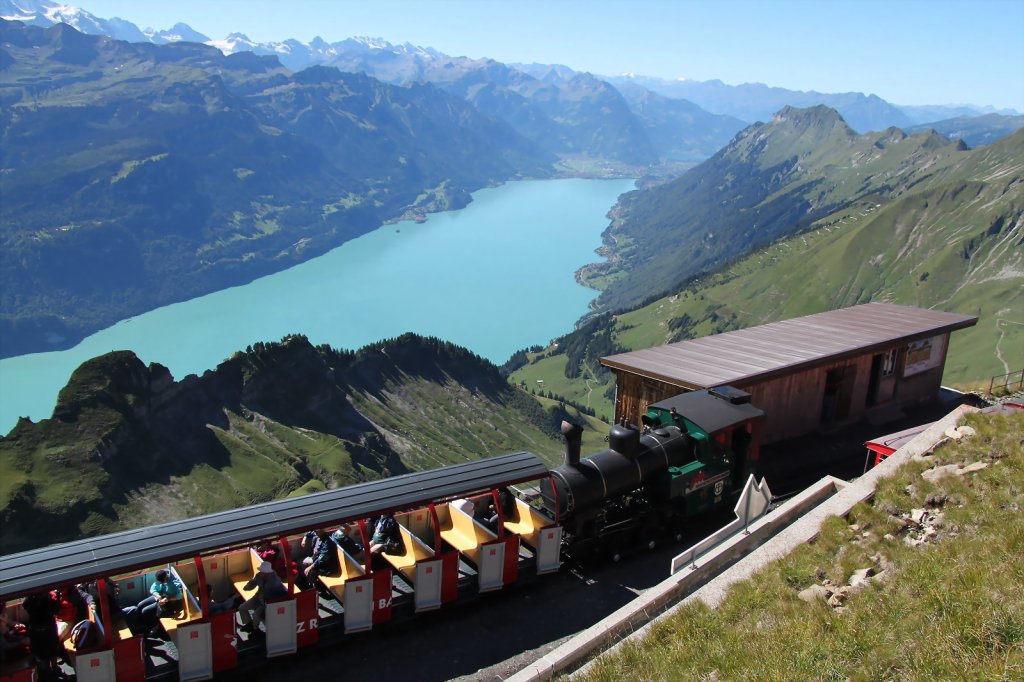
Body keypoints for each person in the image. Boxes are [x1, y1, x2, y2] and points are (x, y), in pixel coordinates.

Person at [22, 591, 64, 678]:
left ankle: (49, 671)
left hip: (38, 631)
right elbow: (57, 610)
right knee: (51, 650)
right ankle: (53, 669)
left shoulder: (30, 602)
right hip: (48, 630)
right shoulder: (49, 601)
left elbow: (25, 604)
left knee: (44, 653)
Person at [238, 562, 287, 634]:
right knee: (242, 608)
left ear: (267, 572)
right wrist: (247, 587)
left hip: (268, 602)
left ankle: (255, 630)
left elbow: (273, 596)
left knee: (256, 615)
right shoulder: (259, 575)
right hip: (258, 597)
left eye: (262, 571)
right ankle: (249, 624)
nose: (261, 572)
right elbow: (253, 583)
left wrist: (263, 603)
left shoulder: (274, 582)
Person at [136, 570, 184, 637]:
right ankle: (139, 625)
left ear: (166, 577)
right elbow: (153, 588)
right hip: (159, 597)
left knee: (145, 611)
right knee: (140, 605)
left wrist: (167, 599)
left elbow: (180, 595)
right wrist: (157, 595)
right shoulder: (160, 578)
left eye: (162, 581)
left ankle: (148, 629)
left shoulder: (173, 583)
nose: (161, 582)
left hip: (167, 601)